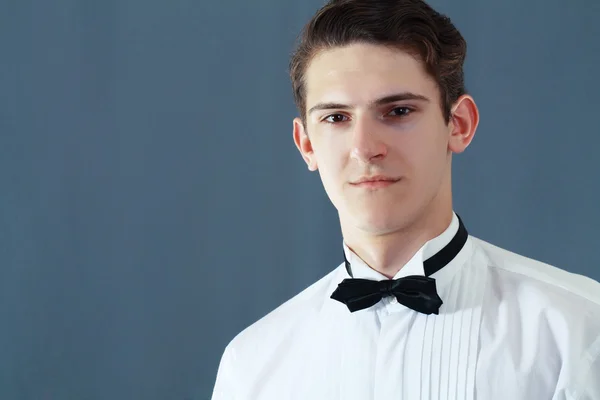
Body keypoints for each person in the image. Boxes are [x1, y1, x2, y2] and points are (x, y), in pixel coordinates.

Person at [211, 0, 600, 398]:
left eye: (398, 111)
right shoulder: (253, 365)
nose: (364, 148)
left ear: (459, 125)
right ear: (306, 144)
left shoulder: (580, 329)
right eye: (336, 118)